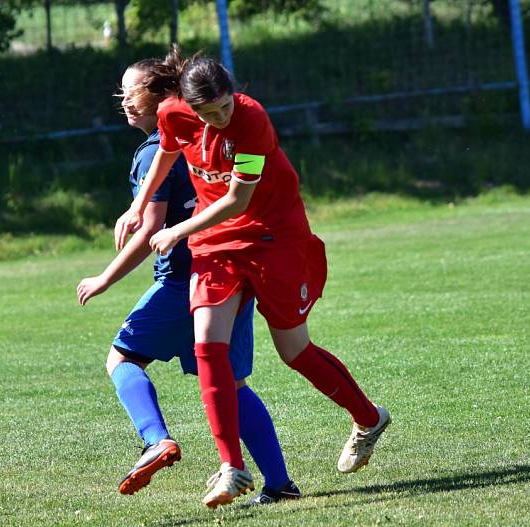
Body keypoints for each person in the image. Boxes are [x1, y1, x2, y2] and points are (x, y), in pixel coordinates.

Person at [115, 45, 391, 508]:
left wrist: (177, 230)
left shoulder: (251, 119)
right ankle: (232, 467)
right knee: (207, 345)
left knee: (294, 350)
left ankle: (369, 418)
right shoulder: (174, 112)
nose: (221, 116)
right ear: (189, 105)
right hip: (217, 243)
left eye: (226, 105)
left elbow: (238, 201)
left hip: (273, 237)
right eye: (210, 111)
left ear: (233, 95)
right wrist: (137, 206)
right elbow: (166, 152)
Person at [77, 58, 301, 505]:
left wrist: (105, 277)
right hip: (229, 272)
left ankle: (156, 440)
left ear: (161, 96)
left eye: (133, 92)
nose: (125, 101)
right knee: (231, 384)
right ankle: (279, 483)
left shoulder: (160, 147)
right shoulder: (200, 136)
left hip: (187, 279)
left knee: (120, 360)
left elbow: (151, 229)